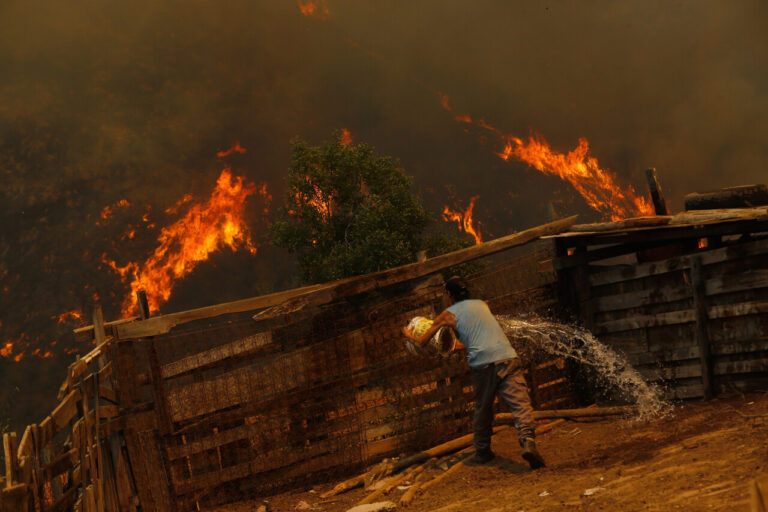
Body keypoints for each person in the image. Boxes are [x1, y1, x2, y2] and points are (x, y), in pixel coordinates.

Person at [403, 276, 546, 468]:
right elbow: (478, 338)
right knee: (520, 402)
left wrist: (408, 335)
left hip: (483, 364)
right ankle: (527, 440)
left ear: (448, 295)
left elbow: (423, 342)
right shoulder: (483, 305)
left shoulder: (447, 314)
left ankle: (483, 451)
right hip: (507, 356)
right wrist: (452, 346)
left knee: (483, 408)